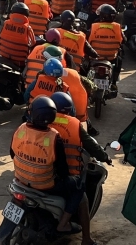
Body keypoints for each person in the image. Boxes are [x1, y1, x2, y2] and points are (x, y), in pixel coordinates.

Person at [8, 96, 83, 236]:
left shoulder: (21, 129)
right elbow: (62, 169)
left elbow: (12, 154)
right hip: (45, 185)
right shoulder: (54, 137)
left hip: (20, 179)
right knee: (79, 186)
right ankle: (63, 224)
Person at [49, 91, 111, 245]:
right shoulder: (74, 124)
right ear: (69, 109)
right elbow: (92, 145)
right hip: (64, 176)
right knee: (81, 198)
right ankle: (86, 239)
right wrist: (105, 157)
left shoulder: (41, 119)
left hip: (39, 173)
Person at [88, 4, 124, 89]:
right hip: (111, 58)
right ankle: (114, 82)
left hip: (95, 58)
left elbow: (86, 39)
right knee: (119, 59)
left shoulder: (94, 26)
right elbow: (124, 40)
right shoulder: (117, 27)